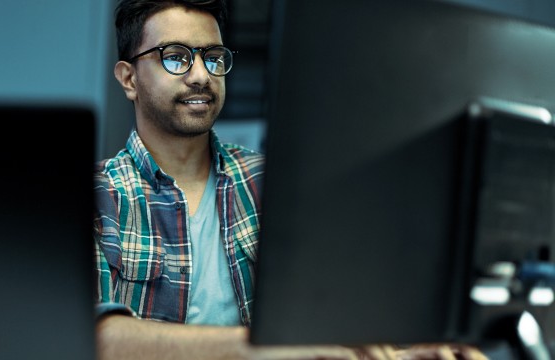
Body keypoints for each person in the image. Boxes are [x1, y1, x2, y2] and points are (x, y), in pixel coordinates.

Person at [92, 1, 488, 359]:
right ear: (128, 79)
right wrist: (259, 349)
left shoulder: (276, 184)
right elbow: (91, 336)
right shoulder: (94, 196)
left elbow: (340, 316)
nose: (201, 75)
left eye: (213, 58)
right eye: (175, 57)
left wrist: (406, 354)